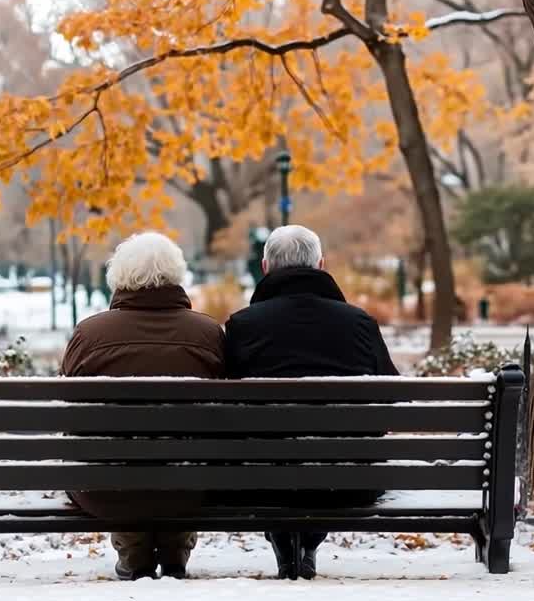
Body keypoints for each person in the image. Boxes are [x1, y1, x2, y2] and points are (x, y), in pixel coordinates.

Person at [222, 224, 399, 580]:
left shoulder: (243, 326)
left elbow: (223, 409)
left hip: (258, 483)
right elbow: (389, 399)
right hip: (349, 484)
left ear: (265, 267)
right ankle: (309, 542)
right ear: (321, 264)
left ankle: (284, 540)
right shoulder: (360, 324)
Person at [61, 232, 224, 581]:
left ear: (119, 277)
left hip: (105, 489)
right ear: (176, 275)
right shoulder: (208, 334)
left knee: (119, 467)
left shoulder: (89, 335)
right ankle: (175, 545)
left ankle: (133, 545)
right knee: (186, 461)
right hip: (192, 486)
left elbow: (69, 412)